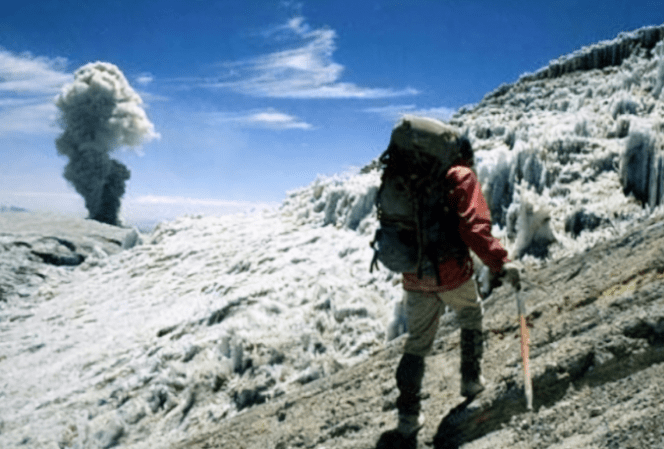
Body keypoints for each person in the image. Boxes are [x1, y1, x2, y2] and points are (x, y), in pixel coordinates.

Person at [391, 120, 521, 438]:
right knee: (470, 314)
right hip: (451, 272)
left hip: (414, 275)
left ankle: (408, 418)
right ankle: (471, 380)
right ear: (464, 155)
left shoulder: (412, 180)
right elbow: (474, 228)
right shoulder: (461, 176)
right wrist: (500, 263)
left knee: (417, 344)